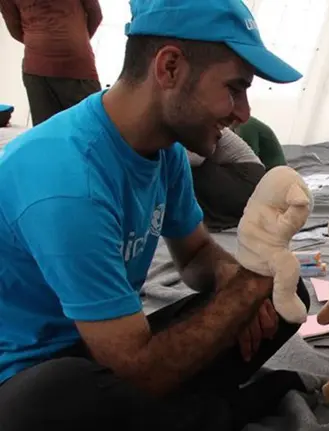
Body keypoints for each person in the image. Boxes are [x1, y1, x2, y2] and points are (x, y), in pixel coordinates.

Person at [0, 0, 311, 430]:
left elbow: (196, 254)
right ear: (169, 68)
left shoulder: (166, 152)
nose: (243, 112)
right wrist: (247, 287)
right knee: (56, 397)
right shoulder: (68, 180)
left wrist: (237, 277)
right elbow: (136, 369)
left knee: (285, 295)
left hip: (106, 349)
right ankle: (222, 411)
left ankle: (182, 414)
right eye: (234, 88)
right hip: (29, 373)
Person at [0, 0, 103, 126]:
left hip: (37, 65)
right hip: (74, 64)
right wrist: (75, 40)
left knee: (47, 130)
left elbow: (15, 28)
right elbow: (95, 15)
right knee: (90, 127)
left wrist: (40, 43)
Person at [188, 127, 268, 232]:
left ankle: (217, 219)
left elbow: (197, 158)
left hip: (247, 178)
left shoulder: (202, 124)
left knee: (187, 167)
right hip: (250, 181)